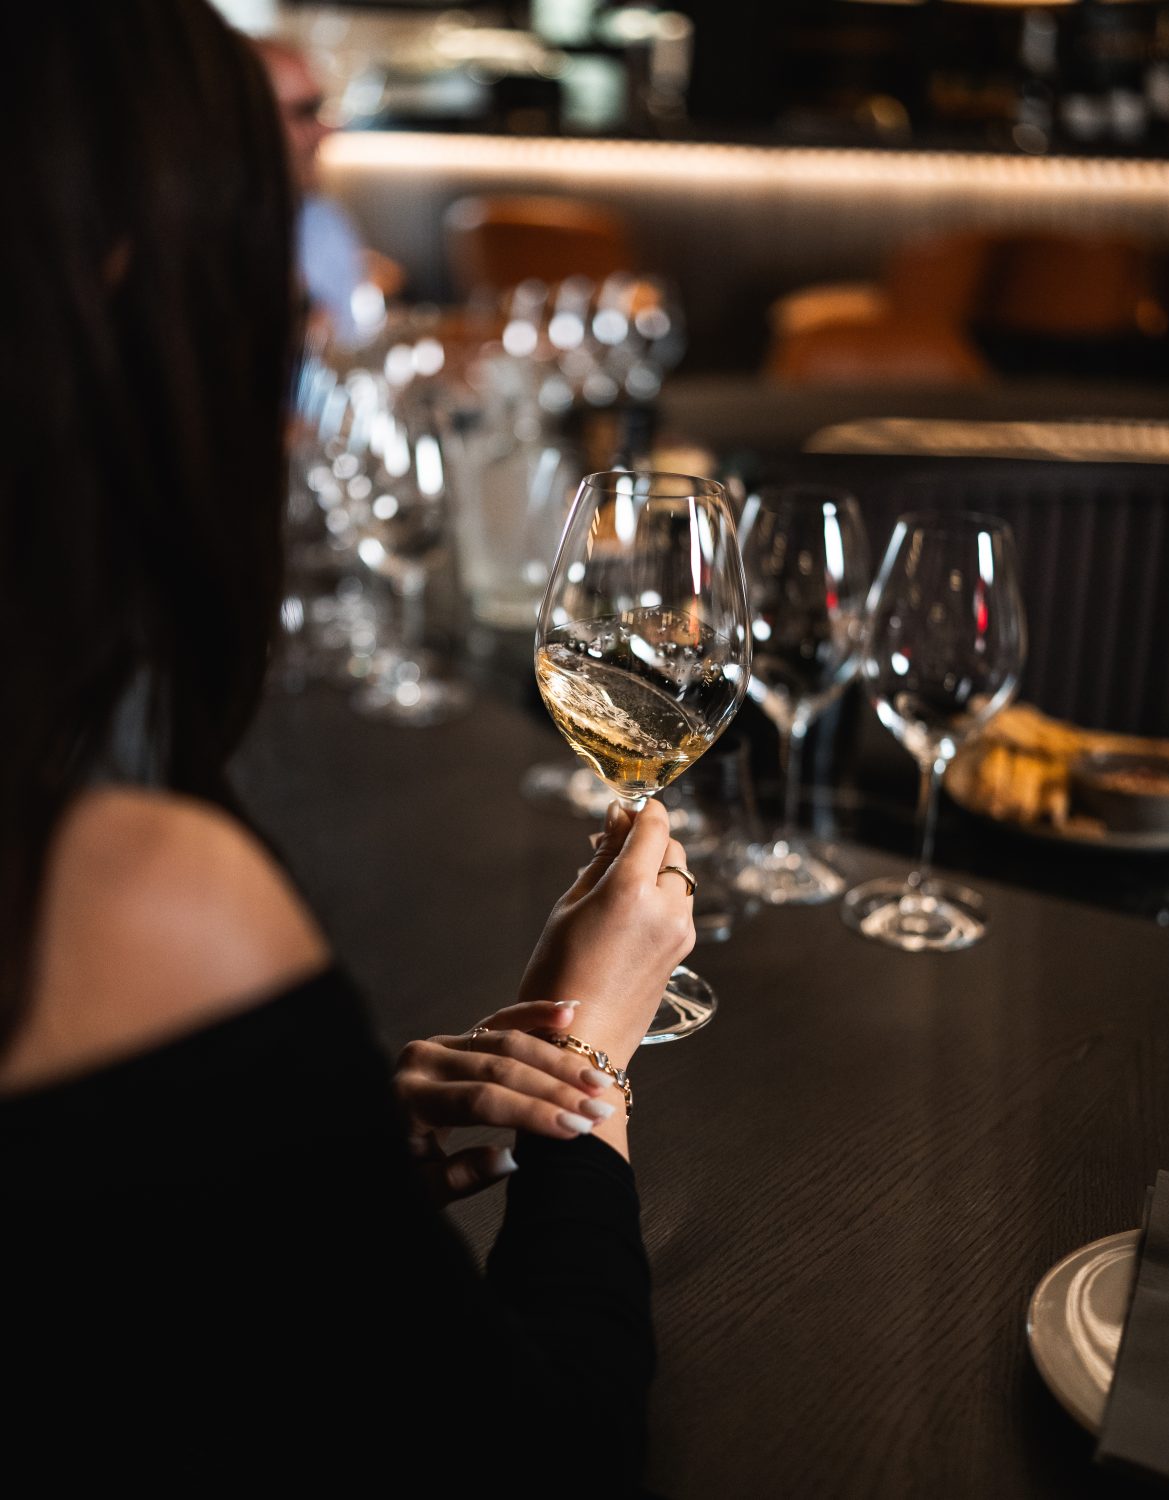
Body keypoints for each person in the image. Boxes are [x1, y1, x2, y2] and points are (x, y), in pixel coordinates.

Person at [0, 3, 695, 1489]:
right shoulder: (129, 893)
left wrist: (282, 1151)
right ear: (129, 280)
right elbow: (546, 1460)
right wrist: (587, 1055)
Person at [255, 35, 404, 344]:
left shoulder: (323, 221)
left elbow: (349, 346)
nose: (328, 130)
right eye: (305, 111)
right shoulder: (198, 247)